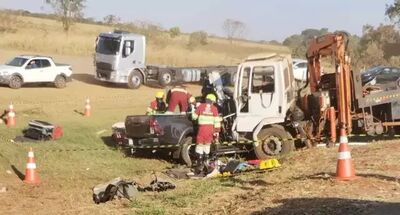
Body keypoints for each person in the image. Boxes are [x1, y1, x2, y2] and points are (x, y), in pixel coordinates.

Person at [191, 94, 221, 175]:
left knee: (199, 146)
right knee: (207, 146)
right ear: (213, 101)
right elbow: (217, 121)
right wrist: (217, 131)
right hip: (210, 130)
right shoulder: (214, 109)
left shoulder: (200, 107)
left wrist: (193, 109)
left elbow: (194, 117)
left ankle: (199, 166)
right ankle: (206, 165)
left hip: (201, 130)